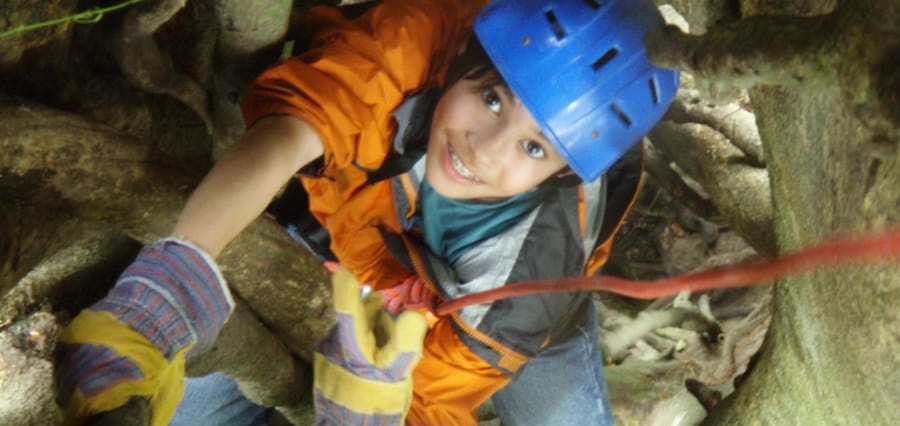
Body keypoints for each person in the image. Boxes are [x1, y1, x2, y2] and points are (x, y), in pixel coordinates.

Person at [53, 0, 678, 424]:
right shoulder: (419, 44)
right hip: (332, 251)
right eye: (491, 99)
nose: (483, 151)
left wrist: (371, 413)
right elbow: (295, 129)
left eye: (534, 147)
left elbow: (433, 400)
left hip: (503, 325)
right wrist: (178, 271)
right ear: (465, 57)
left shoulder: (532, 275)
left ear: (564, 173)